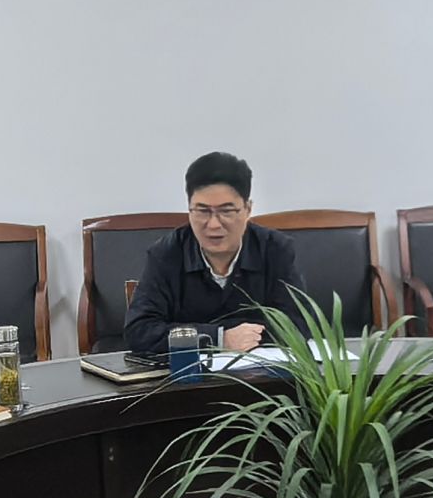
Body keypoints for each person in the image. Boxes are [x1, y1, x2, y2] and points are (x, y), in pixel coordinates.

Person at [121, 151, 308, 357]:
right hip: (188, 372)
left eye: (226, 211)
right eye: (202, 211)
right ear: (189, 209)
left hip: (260, 371)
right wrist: (220, 337)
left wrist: (238, 336)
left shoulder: (274, 249)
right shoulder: (166, 254)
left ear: (247, 209)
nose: (213, 224)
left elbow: (298, 326)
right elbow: (139, 331)